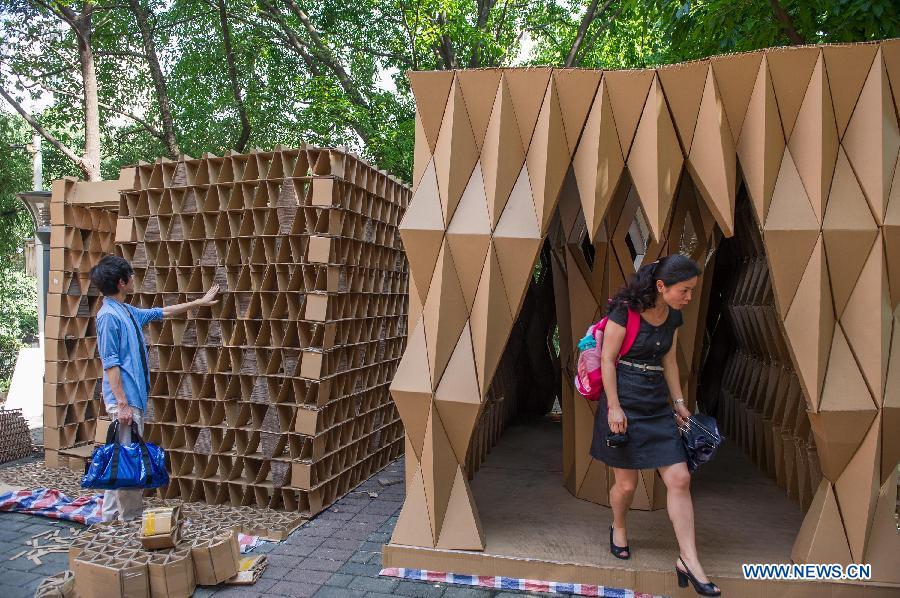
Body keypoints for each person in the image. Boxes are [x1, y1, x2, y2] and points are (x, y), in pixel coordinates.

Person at [590, 254, 720, 597]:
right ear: (661, 286)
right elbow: (606, 359)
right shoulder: (625, 311)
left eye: (692, 290)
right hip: (625, 401)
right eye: (685, 290)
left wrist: (679, 406)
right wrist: (614, 408)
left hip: (656, 403)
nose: (689, 297)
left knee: (679, 477)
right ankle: (618, 526)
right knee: (628, 485)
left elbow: (669, 360)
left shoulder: (673, 316)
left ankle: (689, 560)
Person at [89, 255, 219, 522]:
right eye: (131, 277)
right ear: (122, 282)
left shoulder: (126, 311)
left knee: (120, 457)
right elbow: (110, 363)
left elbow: (161, 312)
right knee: (129, 460)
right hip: (125, 401)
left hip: (133, 399)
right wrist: (122, 404)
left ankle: (110, 520)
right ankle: (131, 519)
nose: (134, 280)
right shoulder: (108, 317)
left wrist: (198, 303)